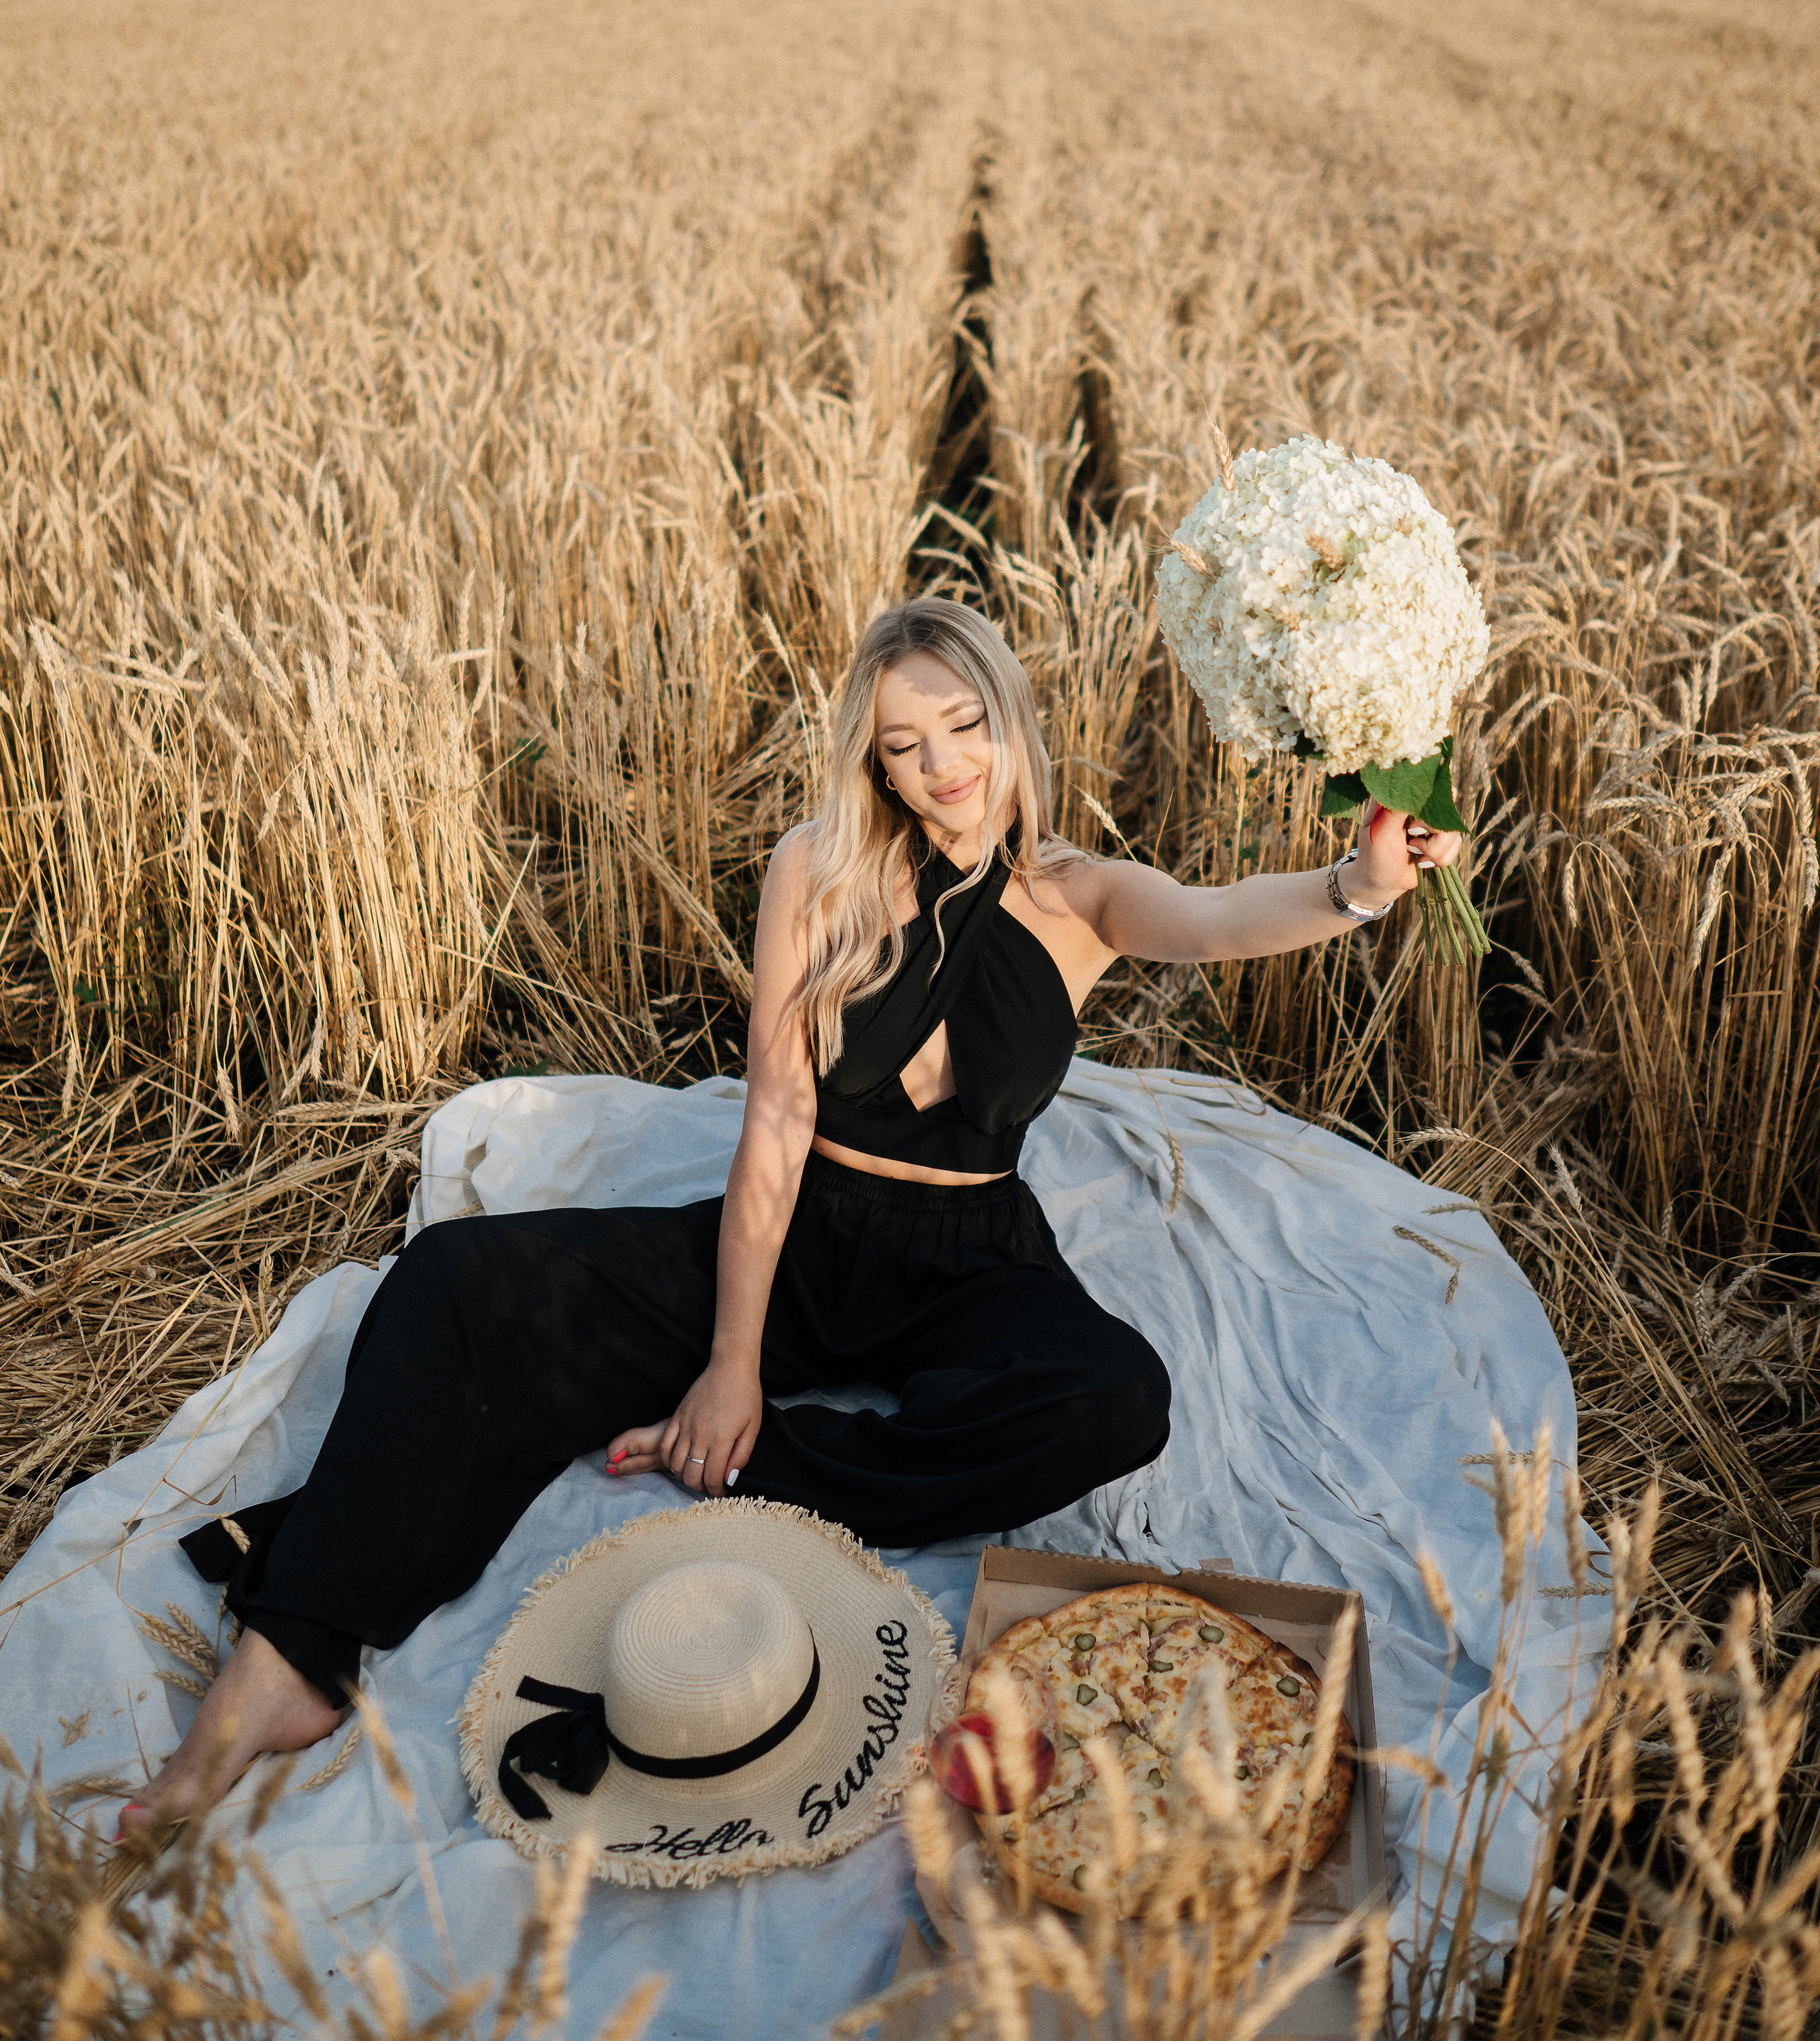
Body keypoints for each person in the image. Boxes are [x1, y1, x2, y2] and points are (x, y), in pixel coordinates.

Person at [122, 597, 1460, 1835]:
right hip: (802, 1236)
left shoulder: (1079, 894)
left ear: (1009, 720)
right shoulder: (819, 871)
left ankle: (762, 1472)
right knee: (456, 1281)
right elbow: (773, 1119)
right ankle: (289, 1657)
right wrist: (731, 1359)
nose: (942, 766)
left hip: (973, 1259)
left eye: (966, 727)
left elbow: (1225, 919)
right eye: (903, 745)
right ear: (872, 763)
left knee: (1116, 1396)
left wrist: (1362, 885)